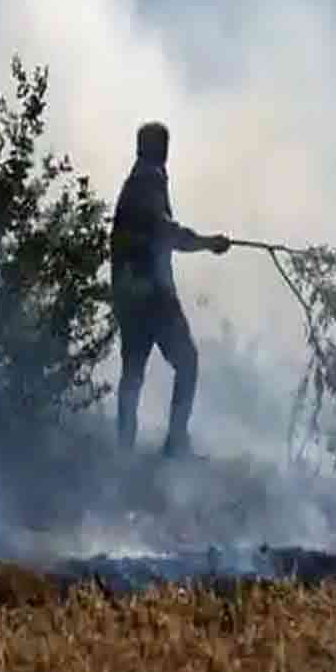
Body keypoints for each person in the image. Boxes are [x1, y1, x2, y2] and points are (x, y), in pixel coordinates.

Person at [110, 121, 231, 458]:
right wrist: (208, 243)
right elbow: (165, 232)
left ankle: (124, 453)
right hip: (153, 297)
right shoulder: (148, 182)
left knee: (132, 376)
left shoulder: (137, 182)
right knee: (186, 362)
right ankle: (174, 445)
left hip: (129, 295)